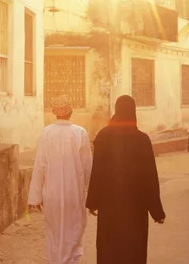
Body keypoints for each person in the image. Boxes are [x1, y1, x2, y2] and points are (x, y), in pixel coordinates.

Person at [86, 95, 165, 264]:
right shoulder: (142, 140)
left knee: (110, 250)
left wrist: (93, 201)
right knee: (133, 251)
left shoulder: (104, 136)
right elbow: (150, 178)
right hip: (135, 210)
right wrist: (156, 211)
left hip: (110, 209)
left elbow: (97, 171)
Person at [27, 95, 93, 264]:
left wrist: (35, 197)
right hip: (74, 194)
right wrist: (93, 197)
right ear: (70, 112)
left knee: (54, 233)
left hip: (52, 195)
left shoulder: (46, 133)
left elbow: (39, 166)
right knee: (74, 231)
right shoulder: (80, 133)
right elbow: (88, 167)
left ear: (54, 113)